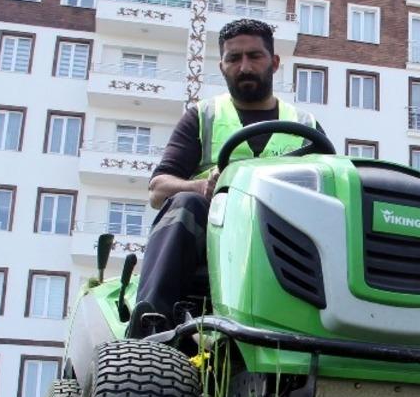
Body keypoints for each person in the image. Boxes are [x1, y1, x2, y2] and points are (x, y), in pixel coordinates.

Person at [128, 18, 324, 337]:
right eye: (234, 58)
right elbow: (157, 190)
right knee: (185, 203)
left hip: (285, 242)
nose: (244, 66)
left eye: (254, 56)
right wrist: (200, 186)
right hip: (214, 240)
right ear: (222, 66)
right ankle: (151, 325)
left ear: (274, 62)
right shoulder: (203, 117)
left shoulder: (305, 125)